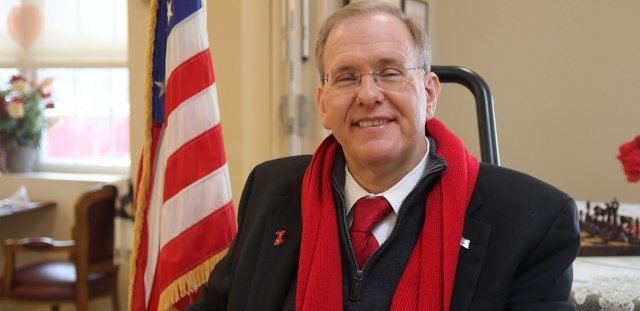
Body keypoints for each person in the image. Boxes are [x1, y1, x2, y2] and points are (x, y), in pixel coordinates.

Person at [188, 1, 580, 310]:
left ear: (428, 94)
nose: (368, 94)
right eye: (346, 77)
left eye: (390, 72)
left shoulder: (535, 219)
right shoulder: (271, 189)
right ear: (323, 104)